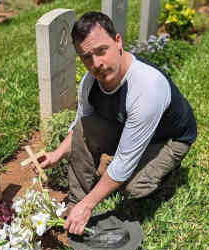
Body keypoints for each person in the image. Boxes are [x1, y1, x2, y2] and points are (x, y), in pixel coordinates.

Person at [39, 11, 197, 235]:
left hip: (169, 138)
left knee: (131, 188)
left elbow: (123, 162)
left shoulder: (146, 87)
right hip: (129, 127)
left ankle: (167, 174)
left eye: (101, 51)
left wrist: (90, 205)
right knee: (87, 125)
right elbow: (80, 128)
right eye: (86, 57)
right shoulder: (89, 82)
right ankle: (76, 201)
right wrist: (57, 153)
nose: (96, 64)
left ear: (118, 41)